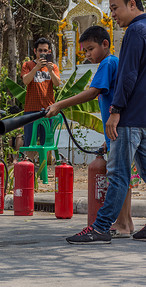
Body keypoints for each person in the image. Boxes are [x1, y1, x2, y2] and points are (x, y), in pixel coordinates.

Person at [65, 0, 146, 244]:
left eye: (114, 8)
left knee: (118, 175)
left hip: (129, 117)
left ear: (132, 4)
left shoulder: (135, 30)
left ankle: (100, 228)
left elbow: (129, 73)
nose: (113, 14)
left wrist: (116, 110)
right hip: (144, 117)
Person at [46, 26, 136, 238]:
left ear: (105, 44)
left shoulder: (107, 63)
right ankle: (126, 223)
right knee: (125, 177)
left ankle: (120, 225)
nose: (87, 55)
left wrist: (60, 104)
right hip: (117, 130)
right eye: (84, 51)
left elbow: (93, 92)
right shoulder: (113, 63)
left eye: (90, 49)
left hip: (118, 128)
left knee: (119, 177)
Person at [21, 37, 60, 153]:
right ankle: (30, 168)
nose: (42, 53)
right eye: (40, 50)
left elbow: (57, 83)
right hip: (31, 110)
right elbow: (25, 81)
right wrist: (36, 68)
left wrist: (50, 70)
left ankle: (44, 170)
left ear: (49, 52)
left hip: (48, 110)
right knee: (29, 144)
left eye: (45, 50)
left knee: (46, 145)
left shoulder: (53, 66)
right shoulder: (27, 65)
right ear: (35, 51)